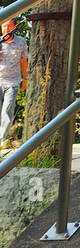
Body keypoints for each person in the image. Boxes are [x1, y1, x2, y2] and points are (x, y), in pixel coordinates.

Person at [0, 18, 29, 150]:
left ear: (14, 27)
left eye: (8, 26)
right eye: (3, 26)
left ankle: (2, 139)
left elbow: (23, 61)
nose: (6, 29)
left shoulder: (21, 42)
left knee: (7, 109)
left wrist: (26, 78)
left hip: (12, 81)